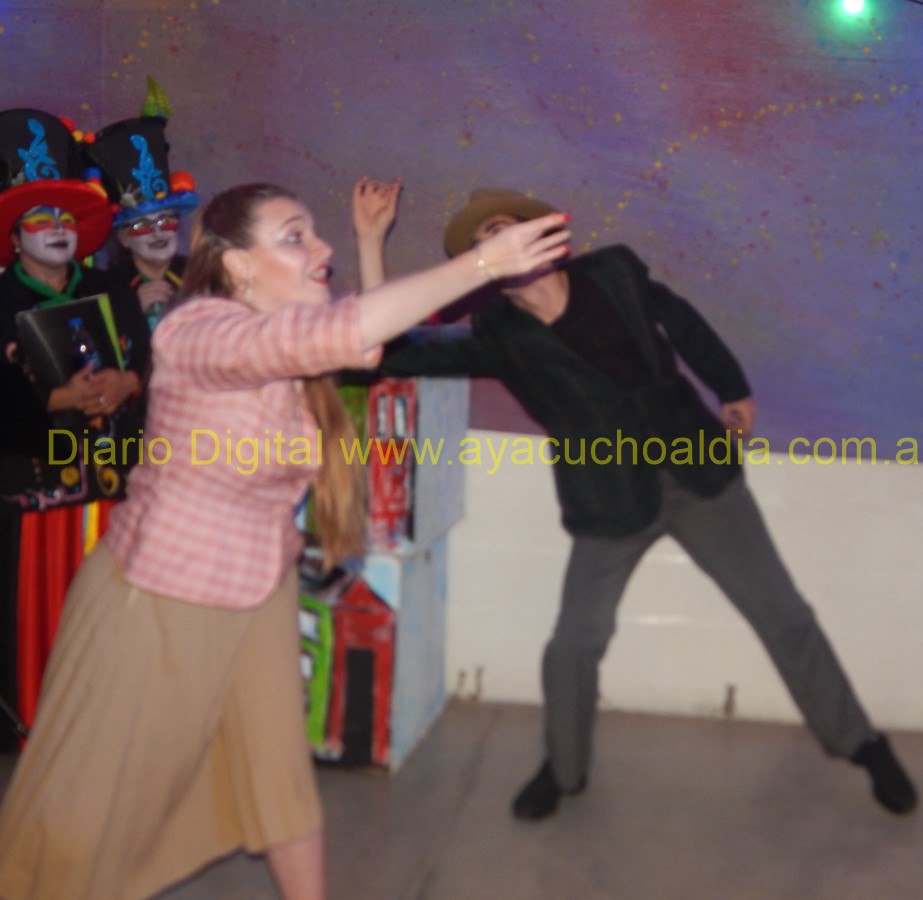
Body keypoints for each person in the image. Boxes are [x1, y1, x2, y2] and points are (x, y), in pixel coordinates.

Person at [0, 181, 568, 899]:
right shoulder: (196, 332)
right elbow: (344, 332)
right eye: (295, 236)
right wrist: (484, 264)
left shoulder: (285, 334)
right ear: (237, 264)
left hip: (258, 586)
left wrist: (369, 240)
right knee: (86, 809)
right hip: (163, 596)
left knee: (279, 775)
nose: (319, 246)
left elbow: (367, 338)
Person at [362, 186, 919, 822]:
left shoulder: (613, 272)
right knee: (574, 644)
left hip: (700, 477)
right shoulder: (498, 336)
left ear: (540, 237)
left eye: (508, 227)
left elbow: (681, 321)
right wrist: (372, 243)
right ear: (481, 266)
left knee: (783, 614)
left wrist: (731, 385)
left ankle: (863, 744)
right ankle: (563, 769)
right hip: (609, 505)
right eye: (486, 240)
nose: (502, 241)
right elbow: (385, 352)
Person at [0, 107, 150, 737]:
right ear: (15, 236)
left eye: (66, 218)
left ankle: (115, 716)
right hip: (30, 490)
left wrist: (128, 382)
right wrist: (54, 400)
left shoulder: (113, 287)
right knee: (31, 608)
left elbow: (151, 363)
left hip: (113, 480)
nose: (58, 230)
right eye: (42, 219)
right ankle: (33, 721)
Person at [87, 113, 200, 332]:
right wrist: (131, 310)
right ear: (124, 238)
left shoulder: (198, 275)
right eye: (142, 226)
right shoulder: (104, 288)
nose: (158, 233)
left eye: (165, 221)